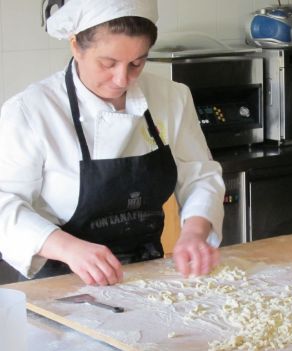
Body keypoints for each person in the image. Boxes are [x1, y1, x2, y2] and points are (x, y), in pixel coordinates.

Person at [0, 0, 225, 285]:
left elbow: (201, 175)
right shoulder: (31, 110)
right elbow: (4, 204)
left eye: (137, 63)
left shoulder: (171, 97)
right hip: (59, 283)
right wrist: (70, 248)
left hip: (147, 278)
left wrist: (195, 231)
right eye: (108, 64)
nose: (122, 79)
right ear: (75, 46)